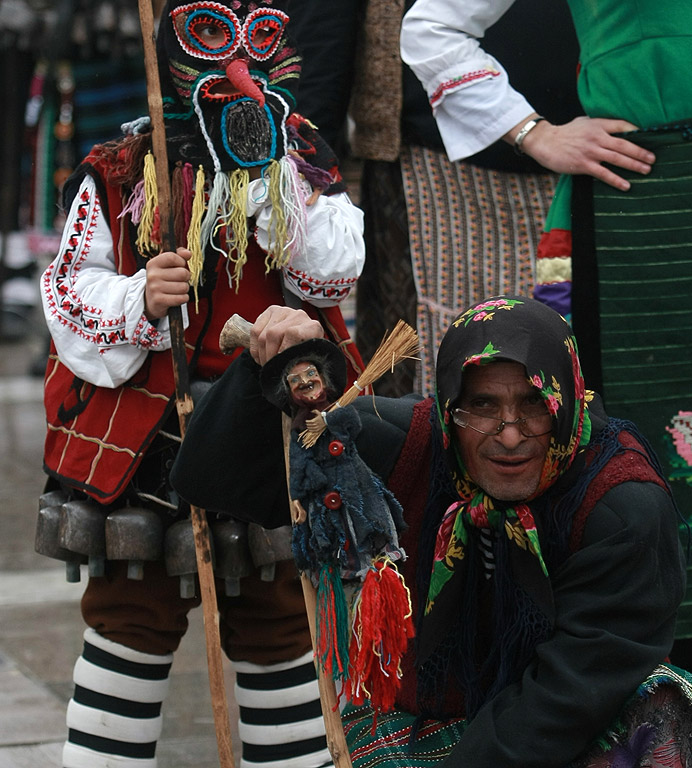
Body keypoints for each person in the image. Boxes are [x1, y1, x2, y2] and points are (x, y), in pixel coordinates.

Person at [38, 2, 366, 767]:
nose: (240, 66)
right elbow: (68, 288)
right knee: (129, 619)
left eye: (261, 40)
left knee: (281, 621)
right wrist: (138, 299)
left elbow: (335, 268)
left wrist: (269, 186)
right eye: (215, 37)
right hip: (153, 430)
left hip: (270, 419)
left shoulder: (302, 153)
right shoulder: (121, 168)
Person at [171, 297, 692, 767]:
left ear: (567, 399)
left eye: (534, 404)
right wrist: (262, 368)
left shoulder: (621, 502)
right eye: (482, 406)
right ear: (449, 407)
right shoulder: (418, 444)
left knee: (660, 704)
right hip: (433, 721)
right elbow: (211, 477)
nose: (509, 435)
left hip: (575, 728)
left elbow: (570, 691)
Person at [399, 2, 692, 664]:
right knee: (636, 455)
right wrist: (532, 131)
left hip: (639, 205)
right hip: (642, 212)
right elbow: (434, 26)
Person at [288, 0, 581, 397]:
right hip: (444, 165)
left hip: (608, 147)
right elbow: (338, 29)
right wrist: (307, 162)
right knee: (456, 350)